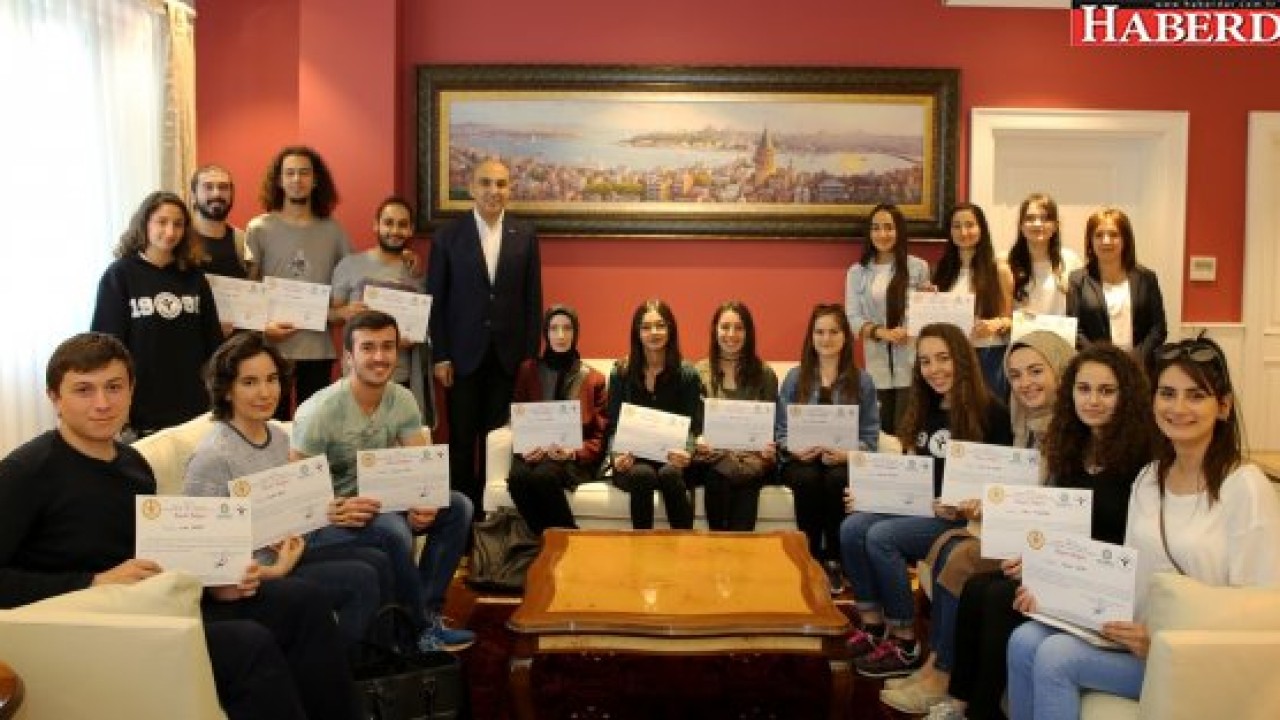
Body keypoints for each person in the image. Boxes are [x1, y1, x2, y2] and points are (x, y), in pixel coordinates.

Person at [0, 332, 357, 720]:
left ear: (131, 391)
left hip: (154, 602)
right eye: (84, 390)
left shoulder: (133, 465)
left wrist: (217, 580)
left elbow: (156, 556)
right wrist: (94, 582)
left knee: (304, 601)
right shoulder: (25, 473)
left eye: (114, 387)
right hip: (92, 624)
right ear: (55, 397)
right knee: (247, 644)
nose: (102, 403)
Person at [1007, 336, 1280, 719]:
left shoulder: (1244, 486)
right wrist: (1053, 591)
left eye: (1195, 396)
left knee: (1057, 656)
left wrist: (1162, 640)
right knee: (1023, 640)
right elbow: (1126, 571)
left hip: (1194, 652)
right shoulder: (1150, 479)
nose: (1178, 408)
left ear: (1223, 406)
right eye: (1167, 394)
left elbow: (1261, 607)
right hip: (1133, 633)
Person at [876, 331, 1070, 715]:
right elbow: (1014, 490)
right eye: (1016, 375)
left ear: (1061, 371)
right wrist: (985, 506)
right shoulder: (1023, 421)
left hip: (1041, 541)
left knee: (958, 556)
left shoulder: (1062, 427)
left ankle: (943, 673)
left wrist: (990, 507)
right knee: (948, 547)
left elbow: (1051, 501)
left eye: (1036, 371)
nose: (1025, 383)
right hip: (1010, 528)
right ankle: (936, 664)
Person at [183, 332, 393, 649]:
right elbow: (203, 559)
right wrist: (276, 569)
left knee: (378, 560)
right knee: (360, 578)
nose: (265, 392)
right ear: (226, 390)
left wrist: (327, 509)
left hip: (290, 555)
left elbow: (299, 508)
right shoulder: (213, 457)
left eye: (271, 379)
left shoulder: (280, 438)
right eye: (249, 382)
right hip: (253, 578)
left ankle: (388, 658)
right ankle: (349, 671)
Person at [290, 310, 476, 651]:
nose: (380, 357)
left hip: (379, 502)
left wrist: (424, 503)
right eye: (368, 347)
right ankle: (418, 629)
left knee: (458, 506)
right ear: (348, 356)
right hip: (330, 518)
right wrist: (334, 508)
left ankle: (426, 613)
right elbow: (296, 496)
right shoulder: (318, 412)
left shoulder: (403, 400)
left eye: (388, 347)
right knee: (393, 530)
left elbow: (420, 472)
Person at [840, 323, 1011, 680]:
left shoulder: (991, 411)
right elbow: (911, 473)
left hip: (960, 519)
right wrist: (871, 495)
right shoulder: (924, 405)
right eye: (926, 361)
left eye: (943, 358)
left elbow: (1003, 484)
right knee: (853, 526)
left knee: (881, 536)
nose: (934, 369)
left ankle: (905, 641)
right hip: (922, 507)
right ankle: (873, 625)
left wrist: (962, 504)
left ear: (962, 359)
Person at [428, 158, 543, 516]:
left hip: (508, 358)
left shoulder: (525, 235)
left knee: (498, 441)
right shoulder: (447, 236)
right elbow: (436, 301)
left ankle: (492, 521)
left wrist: (528, 360)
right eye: (486, 183)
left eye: (501, 184)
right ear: (471, 188)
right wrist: (440, 355)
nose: (494, 191)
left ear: (510, 188)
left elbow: (532, 300)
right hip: (461, 357)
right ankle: (463, 518)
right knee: (462, 440)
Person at [90, 191, 224, 437]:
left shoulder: (194, 277)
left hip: (193, 405)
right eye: (162, 222)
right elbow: (106, 347)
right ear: (145, 224)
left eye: (178, 224)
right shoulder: (120, 275)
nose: (170, 232)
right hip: (142, 408)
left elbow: (213, 342)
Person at [777, 303, 880, 593]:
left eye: (833, 332)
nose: (826, 338)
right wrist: (793, 449)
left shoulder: (862, 381)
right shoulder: (795, 377)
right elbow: (780, 430)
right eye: (819, 332)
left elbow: (870, 437)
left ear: (845, 336)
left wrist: (848, 454)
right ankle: (808, 557)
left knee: (837, 478)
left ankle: (834, 559)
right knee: (807, 477)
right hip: (801, 460)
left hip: (842, 460)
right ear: (811, 337)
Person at [246, 145, 352, 419]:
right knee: (270, 426)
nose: (297, 179)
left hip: (318, 349)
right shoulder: (258, 229)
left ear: (315, 180)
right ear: (279, 180)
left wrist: (404, 258)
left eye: (304, 173)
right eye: (290, 173)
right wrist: (263, 327)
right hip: (271, 349)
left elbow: (353, 280)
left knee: (313, 427)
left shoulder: (334, 230)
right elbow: (249, 290)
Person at [507, 305, 608, 534]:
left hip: (572, 458)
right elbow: (517, 416)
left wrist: (573, 452)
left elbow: (600, 435)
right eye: (554, 328)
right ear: (545, 333)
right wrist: (523, 448)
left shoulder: (594, 379)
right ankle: (545, 538)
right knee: (518, 478)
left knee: (544, 476)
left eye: (567, 328)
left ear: (576, 332)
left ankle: (569, 537)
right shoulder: (528, 370)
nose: (560, 335)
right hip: (533, 452)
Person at [331, 196, 432, 419]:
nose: (395, 230)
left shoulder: (416, 273)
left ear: (411, 230)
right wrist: (344, 312)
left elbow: (424, 322)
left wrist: (414, 337)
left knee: (397, 437)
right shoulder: (349, 265)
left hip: (402, 377)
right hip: (357, 377)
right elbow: (331, 314)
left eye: (402, 225)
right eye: (388, 223)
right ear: (376, 225)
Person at [606, 299, 702, 530]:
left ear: (670, 329)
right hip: (632, 460)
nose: (654, 332)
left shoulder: (687, 375)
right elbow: (614, 426)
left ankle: (685, 544)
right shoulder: (620, 373)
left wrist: (687, 452)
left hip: (673, 459)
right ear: (637, 333)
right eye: (646, 327)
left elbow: (693, 426)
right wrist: (616, 456)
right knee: (642, 474)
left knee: (670, 474)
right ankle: (642, 547)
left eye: (660, 325)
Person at [693, 300, 780, 531]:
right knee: (718, 475)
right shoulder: (699, 372)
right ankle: (719, 546)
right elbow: (694, 425)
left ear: (748, 332)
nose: (731, 334)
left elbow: (773, 427)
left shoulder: (765, 374)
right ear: (715, 330)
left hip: (753, 461)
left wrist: (769, 448)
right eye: (725, 327)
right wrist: (698, 440)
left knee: (747, 478)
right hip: (713, 460)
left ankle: (741, 548)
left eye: (739, 328)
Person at [846, 203, 931, 434]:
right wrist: (882, 333)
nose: (882, 234)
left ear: (899, 231)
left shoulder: (918, 267)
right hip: (877, 363)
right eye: (876, 228)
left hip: (911, 361)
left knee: (907, 431)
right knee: (881, 432)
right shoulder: (857, 272)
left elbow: (925, 316)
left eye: (889, 227)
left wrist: (929, 300)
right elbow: (853, 318)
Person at [933, 202, 1014, 399]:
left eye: (970, 225)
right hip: (951, 355)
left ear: (981, 228)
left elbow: (1010, 319)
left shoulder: (999, 270)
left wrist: (995, 324)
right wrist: (929, 298)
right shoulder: (941, 270)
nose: (963, 232)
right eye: (956, 226)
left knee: (988, 411)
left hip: (988, 354)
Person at [1066, 207, 1167, 362]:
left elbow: (1158, 328)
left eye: (1114, 235)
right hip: (1096, 366)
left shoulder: (1147, 278)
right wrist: (1103, 360)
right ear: (1090, 241)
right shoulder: (1077, 280)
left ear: (1125, 239)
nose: (1106, 241)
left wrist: (1137, 357)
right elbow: (1075, 331)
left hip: (1140, 367)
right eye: (1099, 235)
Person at [1006, 193, 1082, 319]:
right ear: (1021, 226)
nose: (1037, 224)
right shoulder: (1008, 264)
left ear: (1055, 226)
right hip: (1021, 332)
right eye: (1030, 218)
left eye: (1045, 218)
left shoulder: (1071, 260)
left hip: (1062, 332)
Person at [190, 164, 252, 280]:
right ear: (193, 196)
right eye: (208, 187)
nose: (216, 194)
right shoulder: (179, 238)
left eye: (223, 187)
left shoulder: (243, 242)